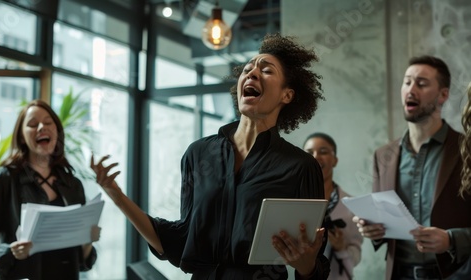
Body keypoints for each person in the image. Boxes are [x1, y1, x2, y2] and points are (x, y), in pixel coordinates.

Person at [91, 33, 330, 279]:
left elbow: (313, 265)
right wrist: (117, 196)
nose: (252, 73)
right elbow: (180, 240)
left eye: (266, 70)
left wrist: (306, 264)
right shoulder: (198, 154)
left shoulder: (301, 167)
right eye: (247, 69)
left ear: (286, 95)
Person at [353, 56, 471, 279]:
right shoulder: (382, 155)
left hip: (454, 273)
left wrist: (452, 240)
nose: (411, 89)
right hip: (398, 273)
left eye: (422, 83)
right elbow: (383, 219)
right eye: (407, 82)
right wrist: (373, 230)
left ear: (443, 95)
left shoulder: (466, 149)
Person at [0, 100, 99, 280]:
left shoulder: (73, 184)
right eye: (32, 124)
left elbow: (80, 261)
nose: (41, 127)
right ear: (22, 137)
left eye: (48, 123)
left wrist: (87, 242)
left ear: (57, 131)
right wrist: (9, 252)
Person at [303, 133, 362, 280]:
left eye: (323, 152)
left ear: (335, 160)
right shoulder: (293, 204)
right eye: (309, 153)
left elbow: (356, 258)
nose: (316, 157)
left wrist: (341, 248)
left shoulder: (352, 205)